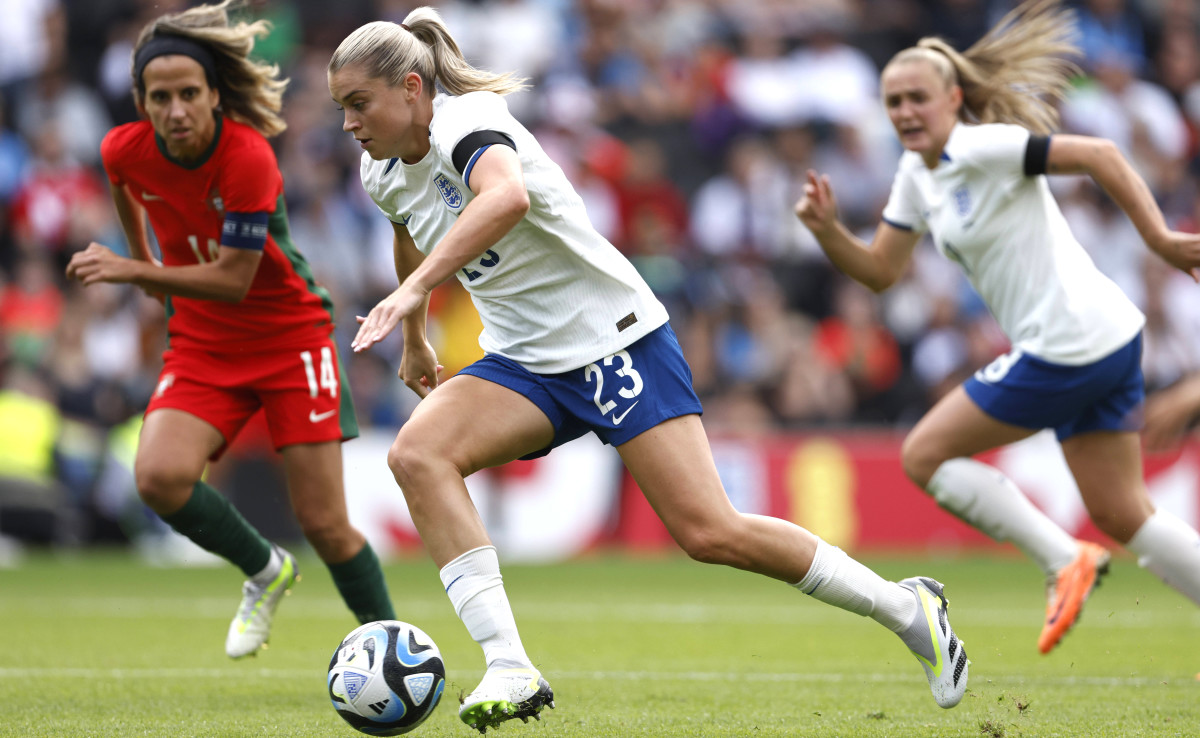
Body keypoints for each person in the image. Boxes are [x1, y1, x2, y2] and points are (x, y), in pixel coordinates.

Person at [327, 7, 970, 732]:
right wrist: (415, 333)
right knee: (418, 453)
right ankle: (509, 661)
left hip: (614, 342)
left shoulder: (467, 119)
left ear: (412, 89)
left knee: (709, 533)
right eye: (341, 107)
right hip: (526, 361)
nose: (349, 122)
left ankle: (904, 607)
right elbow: (409, 234)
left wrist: (413, 293)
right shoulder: (379, 169)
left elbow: (504, 198)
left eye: (359, 103)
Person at [795, 0, 1200, 657]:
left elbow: (1099, 153)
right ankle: (1070, 555)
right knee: (1124, 513)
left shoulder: (982, 146)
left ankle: (1062, 559)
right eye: (892, 101)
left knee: (923, 455)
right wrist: (827, 231)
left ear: (954, 97)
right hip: (1103, 336)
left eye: (917, 98)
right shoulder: (914, 177)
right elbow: (878, 271)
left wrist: (1159, 237)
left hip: (1068, 341)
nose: (903, 112)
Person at [65, 0, 394, 659]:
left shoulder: (248, 158)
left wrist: (135, 270)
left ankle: (391, 646)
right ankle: (265, 570)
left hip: (288, 338)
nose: (175, 109)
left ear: (216, 95)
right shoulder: (121, 150)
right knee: (158, 478)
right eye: (160, 97)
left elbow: (233, 278)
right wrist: (150, 277)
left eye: (190, 93)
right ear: (141, 100)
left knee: (325, 525)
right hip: (205, 343)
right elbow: (146, 238)